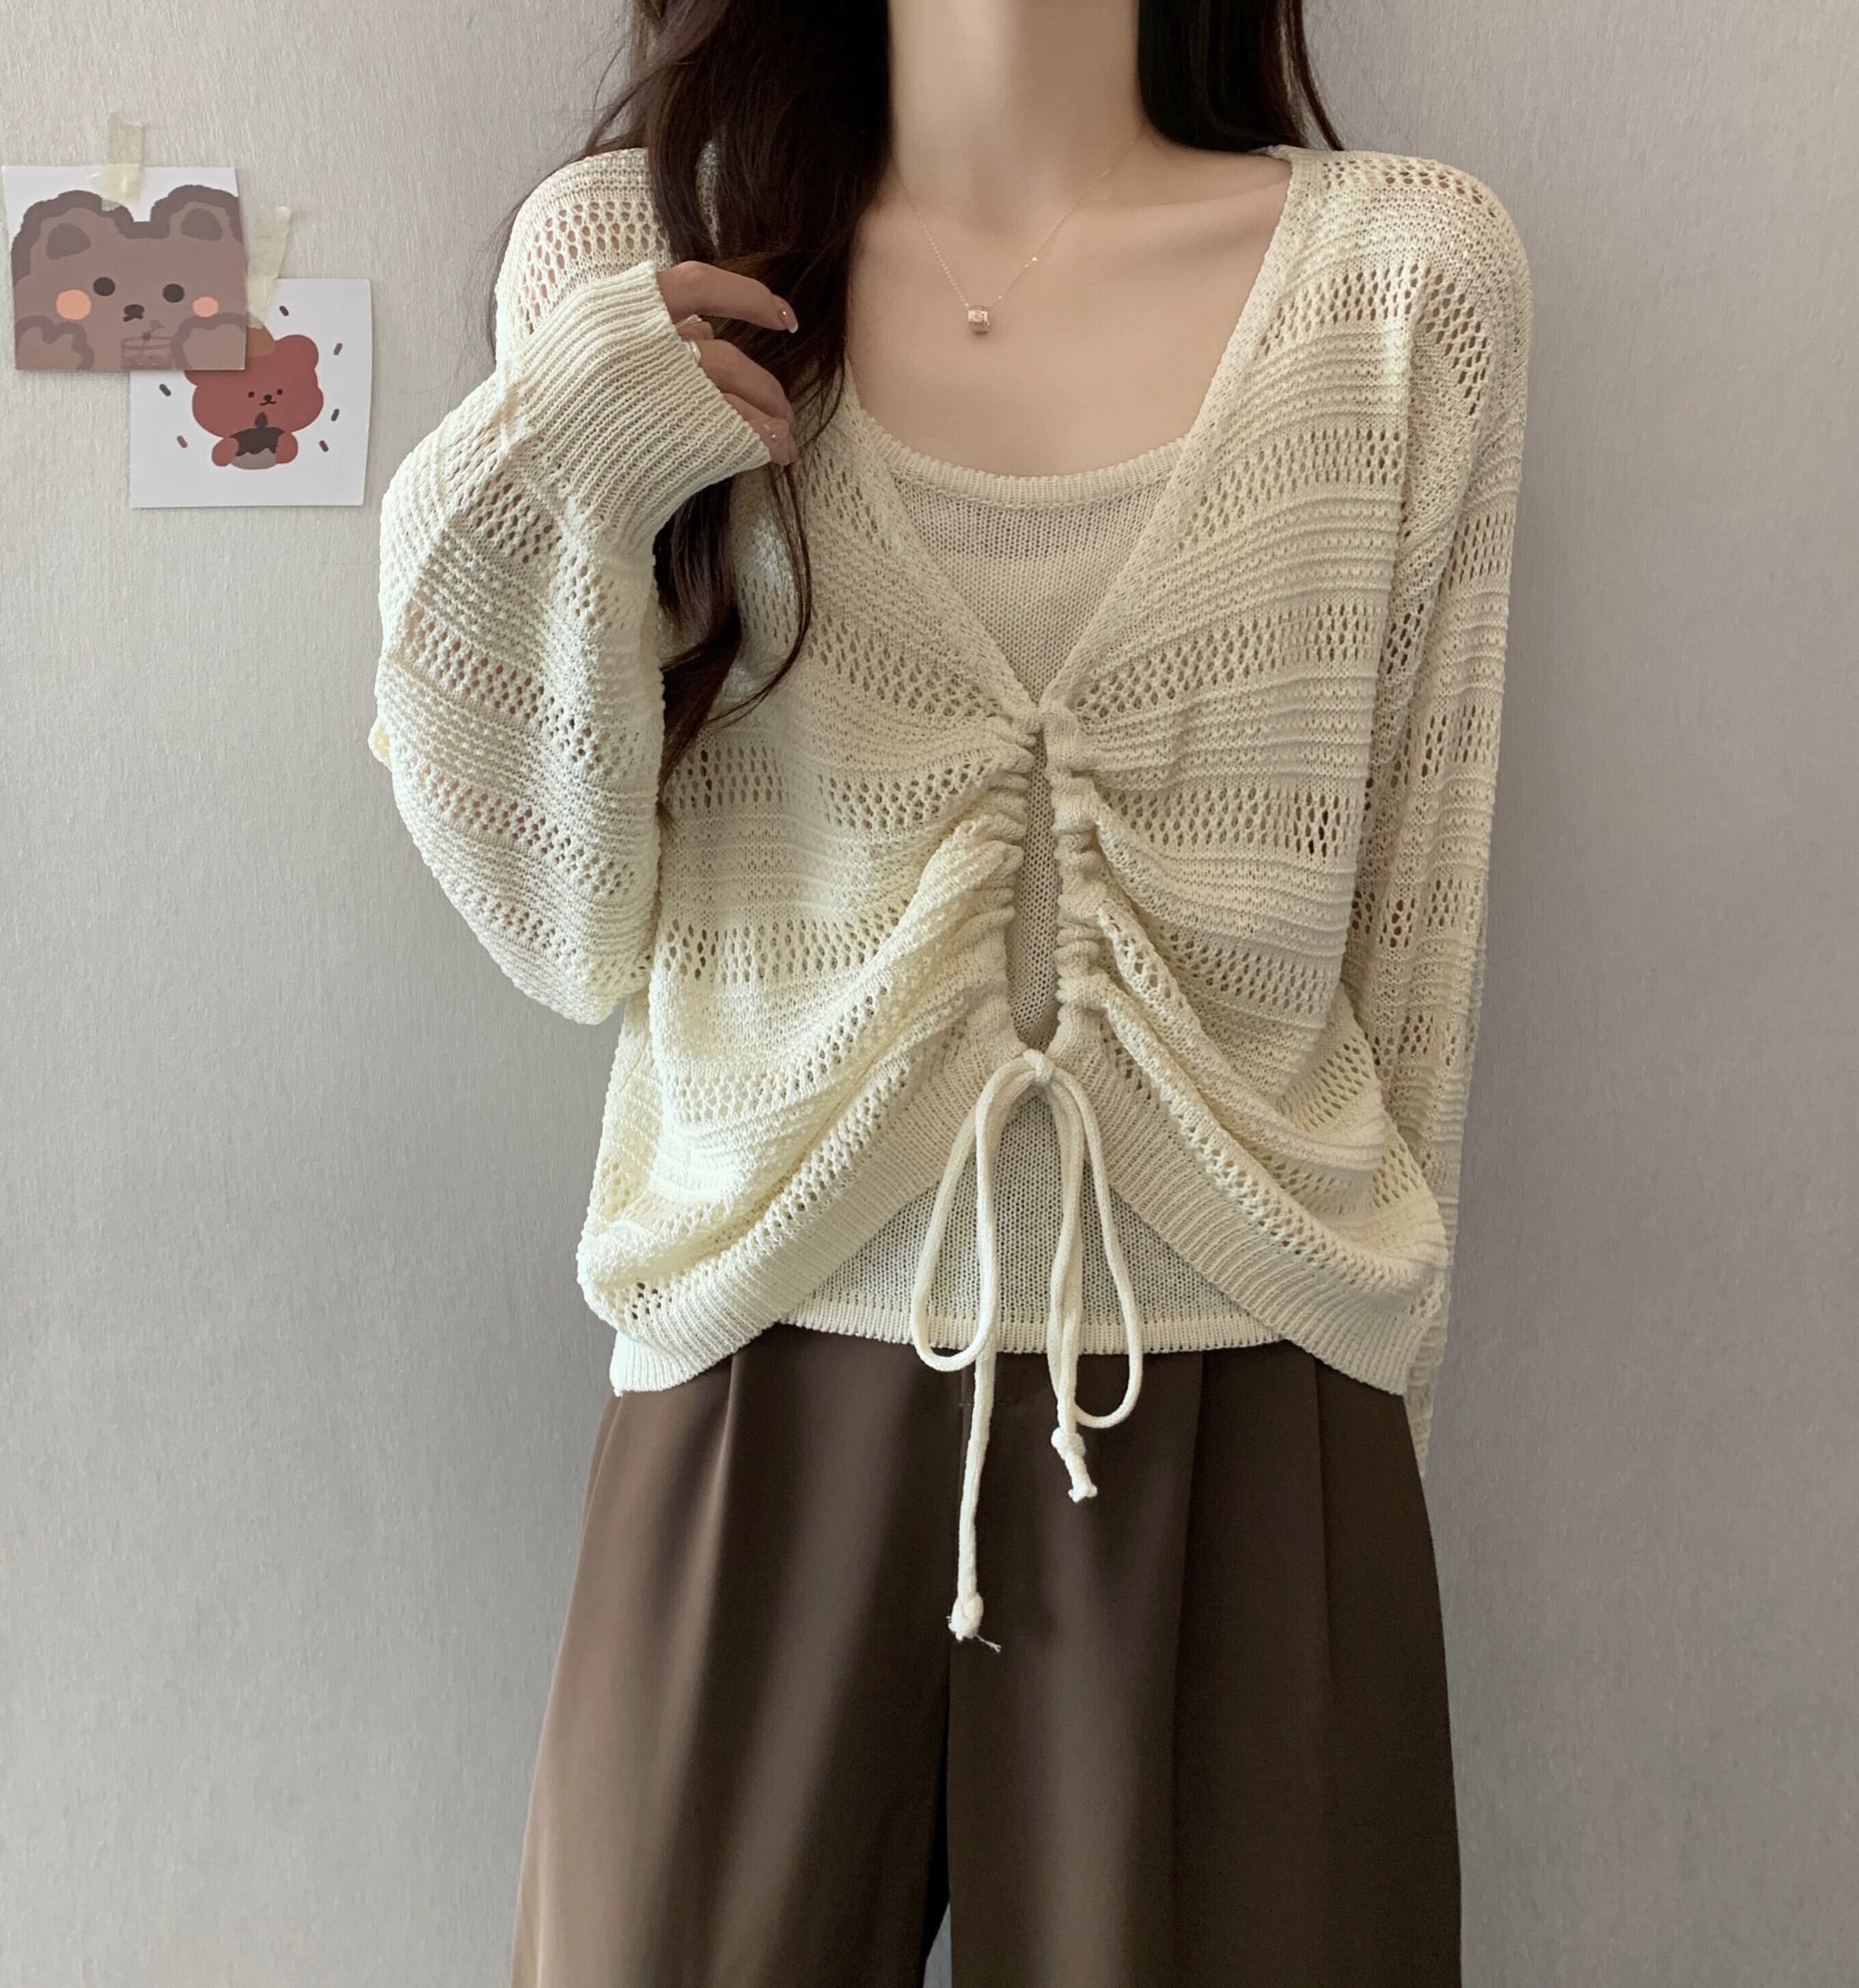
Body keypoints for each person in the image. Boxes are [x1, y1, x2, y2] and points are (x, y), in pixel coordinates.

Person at [366, 0, 1532, 1980]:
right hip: (758, 1369)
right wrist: (550, 459)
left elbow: (1417, 934)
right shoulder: (639, 257)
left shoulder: (1413, 283)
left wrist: (1361, 1452)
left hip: (1242, 1392)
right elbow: (561, 932)